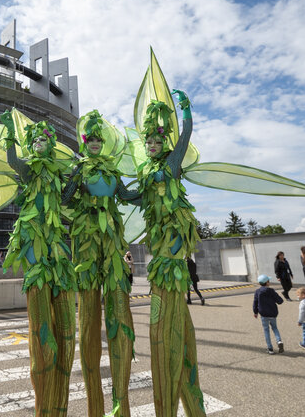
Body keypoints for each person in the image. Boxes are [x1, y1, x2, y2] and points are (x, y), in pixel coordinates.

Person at [123, 93, 206, 416]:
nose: (153, 146)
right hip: (158, 245)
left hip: (172, 244)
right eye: (149, 143)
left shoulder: (172, 164)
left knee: (170, 303)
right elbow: (134, 197)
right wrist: (114, 189)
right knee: (164, 312)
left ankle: (180, 390)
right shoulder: (146, 174)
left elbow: (184, 136)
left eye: (157, 141)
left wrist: (186, 110)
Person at [0, 111, 77, 416]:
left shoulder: (56, 174)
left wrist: (79, 175)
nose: (41, 143)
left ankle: (57, 400)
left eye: (45, 139)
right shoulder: (30, 171)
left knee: (61, 303)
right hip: (33, 235)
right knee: (39, 295)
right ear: (31, 146)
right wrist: (10, 136)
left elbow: (67, 197)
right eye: (36, 140)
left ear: (50, 143)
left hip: (55, 240)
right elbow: (13, 163)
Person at [62, 110, 136, 416]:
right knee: (89, 308)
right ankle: (95, 404)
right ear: (85, 143)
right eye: (90, 140)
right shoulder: (79, 171)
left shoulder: (113, 171)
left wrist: (154, 189)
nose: (94, 143)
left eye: (97, 140)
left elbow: (127, 196)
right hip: (88, 239)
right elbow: (66, 200)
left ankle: (120, 403)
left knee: (118, 301)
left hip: (111, 239)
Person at [253, 274, 284, 354]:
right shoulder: (271, 291)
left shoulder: (257, 292)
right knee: (275, 328)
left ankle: (270, 349)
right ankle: (279, 341)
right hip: (273, 313)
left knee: (266, 330)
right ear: (267, 283)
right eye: (268, 281)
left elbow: (255, 302)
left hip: (263, 314)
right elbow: (280, 301)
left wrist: (255, 312)